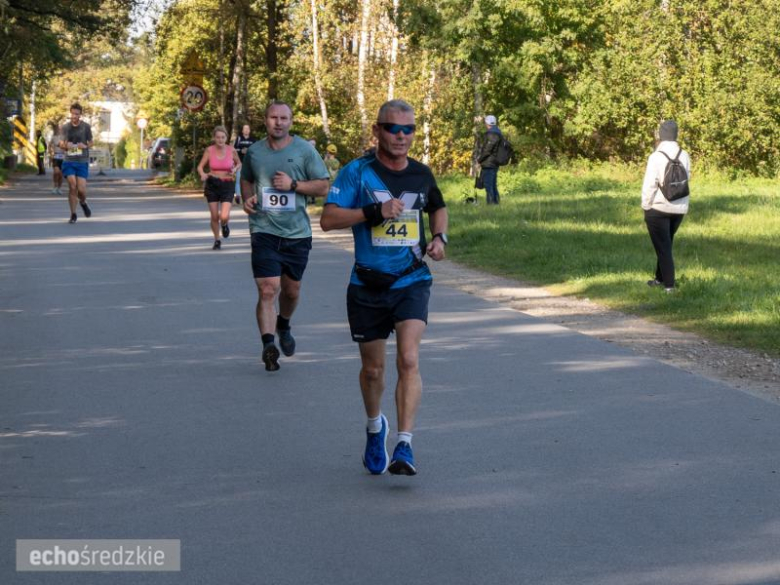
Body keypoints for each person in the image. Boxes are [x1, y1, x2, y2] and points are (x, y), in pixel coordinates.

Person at [320, 99, 449, 476]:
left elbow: (438, 207)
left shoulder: (421, 174)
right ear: (377, 130)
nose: (401, 136)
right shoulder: (357, 172)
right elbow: (328, 219)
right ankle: (376, 427)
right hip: (367, 283)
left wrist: (439, 237)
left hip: (411, 278)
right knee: (373, 370)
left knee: (408, 359)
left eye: (409, 129)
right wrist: (373, 212)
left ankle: (405, 444)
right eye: (394, 128)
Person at [240, 102, 330, 372]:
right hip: (263, 228)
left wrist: (293, 185)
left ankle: (284, 324)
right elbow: (246, 178)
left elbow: (324, 186)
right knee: (268, 288)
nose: (278, 122)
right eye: (273, 117)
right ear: (265, 120)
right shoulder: (255, 152)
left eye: (283, 118)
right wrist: (247, 199)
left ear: (290, 121)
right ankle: (269, 345)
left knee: (291, 292)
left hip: (297, 233)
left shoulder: (304, 150)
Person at [641, 120, 691, 293]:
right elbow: (687, 178)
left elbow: (650, 184)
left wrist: (646, 206)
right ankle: (659, 279)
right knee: (666, 243)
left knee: (663, 248)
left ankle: (669, 286)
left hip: (658, 208)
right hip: (679, 208)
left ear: (661, 135)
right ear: (676, 135)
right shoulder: (684, 154)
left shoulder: (656, 156)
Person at [197, 126, 242, 250]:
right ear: (214, 138)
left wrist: (234, 169)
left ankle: (225, 224)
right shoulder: (209, 150)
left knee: (223, 216)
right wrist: (203, 174)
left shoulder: (231, 150)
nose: (220, 140)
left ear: (226, 138)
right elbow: (200, 166)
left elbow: (239, 163)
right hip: (212, 184)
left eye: (223, 137)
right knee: (214, 216)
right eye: (218, 137)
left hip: (227, 184)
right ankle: (217, 240)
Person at [59, 103, 94, 224]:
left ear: (80, 115)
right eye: (73, 114)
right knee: (72, 186)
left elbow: (91, 142)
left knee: (81, 190)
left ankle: (83, 202)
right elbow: (61, 144)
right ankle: (73, 214)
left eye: (77, 114)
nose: (74, 116)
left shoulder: (86, 127)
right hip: (69, 161)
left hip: (82, 161)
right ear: (70, 113)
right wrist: (65, 145)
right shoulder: (65, 127)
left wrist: (84, 146)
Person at [477, 114, 502, 205]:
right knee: (493, 184)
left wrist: (479, 160)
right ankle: (496, 203)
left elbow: (487, 150)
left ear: (487, 123)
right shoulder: (498, 132)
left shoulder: (491, 134)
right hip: (495, 162)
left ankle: (491, 204)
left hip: (489, 163)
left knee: (488, 185)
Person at [233, 123, 256, 204]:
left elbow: (255, 151)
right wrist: (241, 150)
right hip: (240, 162)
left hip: (250, 164)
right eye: (245, 129)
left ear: (249, 130)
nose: (246, 130)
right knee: (239, 179)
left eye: (247, 129)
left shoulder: (253, 140)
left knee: (251, 180)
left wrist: (248, 151)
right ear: (242, 131)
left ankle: (252, 196)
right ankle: (238, 195)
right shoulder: (239, 139)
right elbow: (234, 150)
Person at [49, 124, 65, 194]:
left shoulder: (65, 137)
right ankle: (55, 187)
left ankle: (59, 188)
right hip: (56, 156)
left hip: (63, 157)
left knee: (61, 174)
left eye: (61, 128)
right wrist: (51, 153)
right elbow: (49, 145)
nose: (60, 130)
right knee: (56, 172)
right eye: (59, 128)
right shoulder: (54, 137)